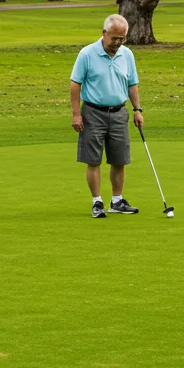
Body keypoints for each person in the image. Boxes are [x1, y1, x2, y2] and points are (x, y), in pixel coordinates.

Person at [71, 14, 143, 218]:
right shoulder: (87, 54)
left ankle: (117, 201)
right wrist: (76, 114)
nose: (118, 43)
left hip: (119, 112)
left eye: (122, 39)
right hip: (93, 112)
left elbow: (132, 84)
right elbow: (75, 84)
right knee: (93, 160)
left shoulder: (127, 54)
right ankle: (97, 203)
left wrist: (137, 109)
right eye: (115, 38)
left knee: (119, 159)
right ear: (104, 33)